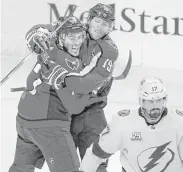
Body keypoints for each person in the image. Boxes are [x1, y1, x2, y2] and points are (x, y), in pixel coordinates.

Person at [25, 3, 119, 172]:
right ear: (89, 20)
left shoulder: (109, 51)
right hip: (64, 112)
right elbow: (42, 30)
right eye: (97, 21)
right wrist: (37, 37)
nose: (100, 27)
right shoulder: (74, 29)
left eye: (106, 24)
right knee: (64, 166)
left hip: (92, 115)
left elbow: (84, 85)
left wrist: (57, 73)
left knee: (95, 166)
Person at [9, 16, 97, 172]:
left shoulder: (51, 46)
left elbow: (37, 30)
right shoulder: (68, 61)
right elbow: (75, 105)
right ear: (61, 37)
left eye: (80, 37)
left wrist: (37, 36)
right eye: (71, 37)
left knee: (20, 168)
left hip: (24, 121)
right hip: (49, 123)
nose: (77, 42)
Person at [80, 77, 183, 172]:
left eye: (159, 100)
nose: (155, 106)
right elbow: (97, 154)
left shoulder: (179, 123)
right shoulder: (123, 123)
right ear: (141, 101)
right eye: (150, 102)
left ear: (165, 100)